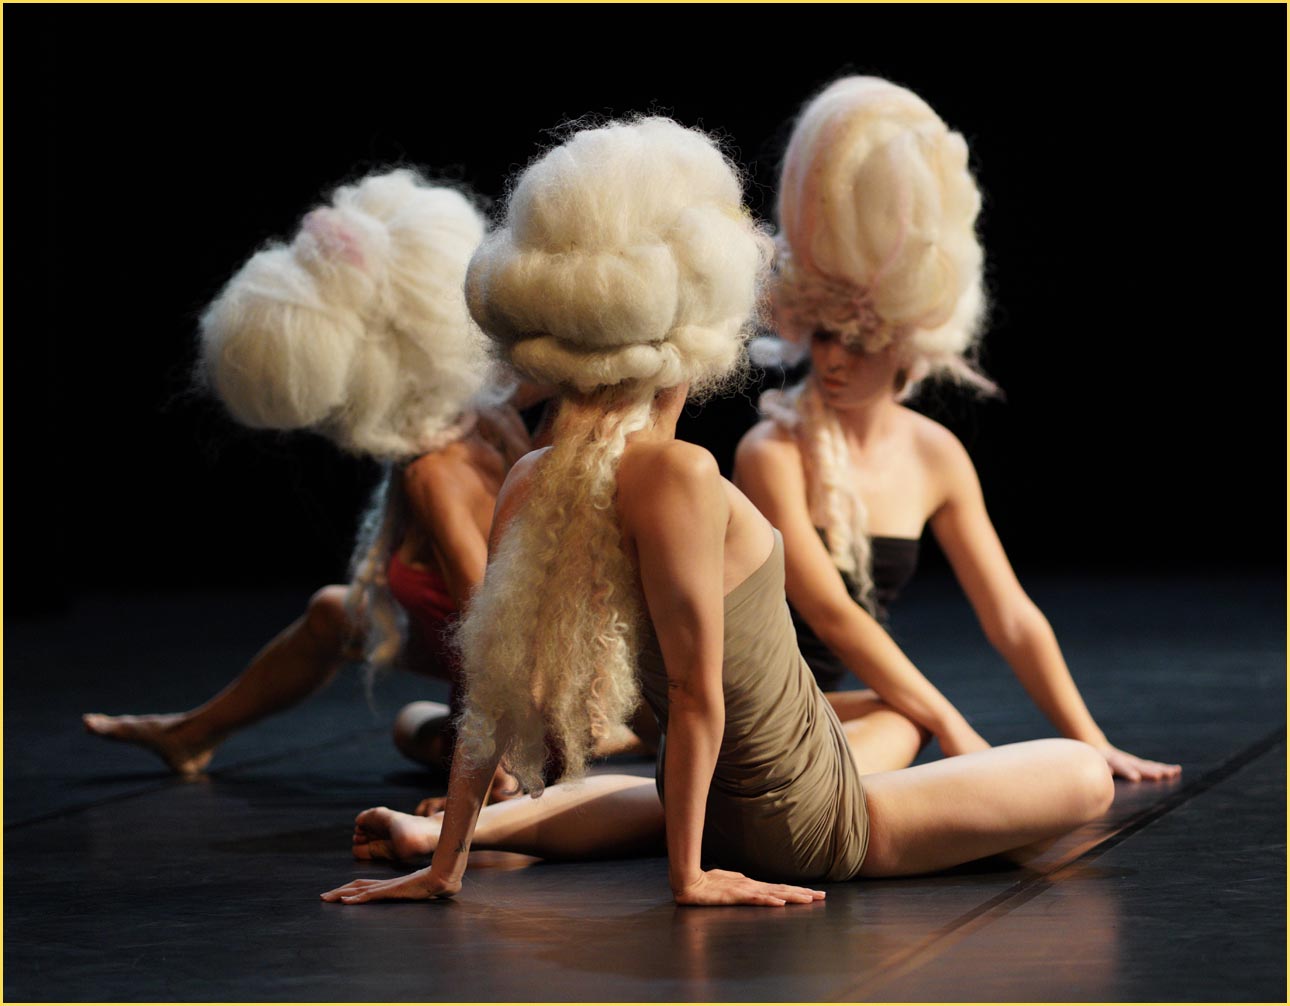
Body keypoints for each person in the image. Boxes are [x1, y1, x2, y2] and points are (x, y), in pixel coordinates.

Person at [322, 117, 1114, 910]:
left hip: (705, 801)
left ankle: (459, 840)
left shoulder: (533, 477)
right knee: (1083, 775)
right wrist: (689, 878)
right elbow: (696, 693)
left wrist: (446, 868)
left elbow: (491, 696)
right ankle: (692, 843)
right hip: (809, 820)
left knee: (893, 724)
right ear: (694, 344)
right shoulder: (682, 474)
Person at [735, 77, 1180, 782]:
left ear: (907, 345)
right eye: (822, 333)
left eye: (858, 339)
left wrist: (1092, 737)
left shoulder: (934, 454)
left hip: (823, 710)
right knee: (913, 724)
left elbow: (1011, 616)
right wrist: (952, 724)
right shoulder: (771, 453)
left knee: (1047, 766)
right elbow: (830, 612)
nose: (833, 358)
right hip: (738, 705)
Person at [82, 170, 534, 801]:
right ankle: (189, 733)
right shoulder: (485, 412)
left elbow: (492, 629)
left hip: (525, 698)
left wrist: (492, 777)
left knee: (413, 724)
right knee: (337, 619)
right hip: (523, 676)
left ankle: (585, 738)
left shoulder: (436, 473)